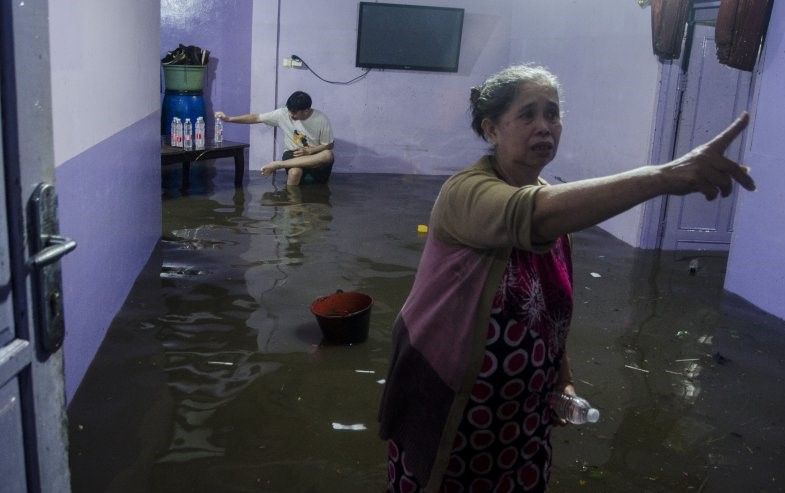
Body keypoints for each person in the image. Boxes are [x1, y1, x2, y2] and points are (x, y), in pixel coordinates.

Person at [377, 64, 755, 492]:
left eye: (552, 114)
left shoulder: (556, 208)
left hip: (523, 420)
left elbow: (550, 313)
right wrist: (663, 176)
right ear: (492, 129)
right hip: (447, 407)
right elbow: (532, 214)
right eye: (528, 115)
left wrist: (562, 378)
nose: (544, 127)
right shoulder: (465, 193)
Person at [215, 91, 334, 185]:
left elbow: (329, 145)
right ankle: (291, 210)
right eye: (290, 111)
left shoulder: (321, 119)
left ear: (306, 110)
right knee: (294, 172)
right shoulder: (282, 114)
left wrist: (310, 151)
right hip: (293, 153)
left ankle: (278, 165)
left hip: (314, 155)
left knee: (328, 154)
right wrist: (229, 119)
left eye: (294, 112)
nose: (291, 115)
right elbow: (256, 118)